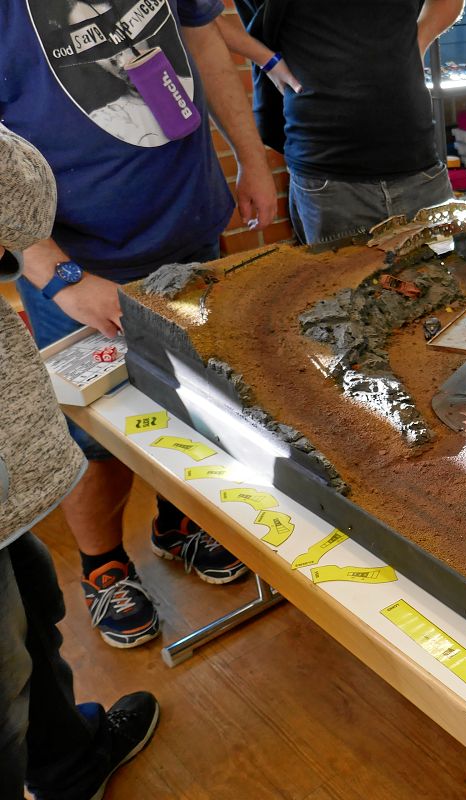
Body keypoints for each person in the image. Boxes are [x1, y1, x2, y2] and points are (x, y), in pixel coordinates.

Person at [0, 0, 276, 648]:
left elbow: (203, 40)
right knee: (96, 436)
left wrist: (252, 157)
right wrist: (59, 275)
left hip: (189, 226)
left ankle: (179, 524)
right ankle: (104, 567)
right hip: (78, 261)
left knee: (197, 400)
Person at [1, 123, 160, 800]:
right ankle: (105, 568)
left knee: (32, 601)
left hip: (10, 488)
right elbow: (20, 198)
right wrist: (62, 275)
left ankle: (68, 760)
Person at [227, 0, 465, 245]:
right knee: (343, 273)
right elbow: (202, 20)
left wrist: (418, 42)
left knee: (443, 267)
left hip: (420, 167)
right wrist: (266, 60)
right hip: (329, 180)